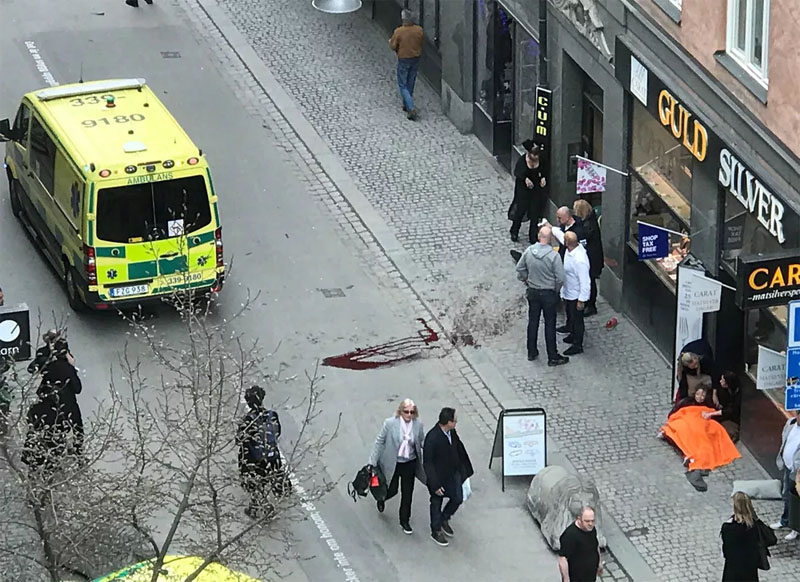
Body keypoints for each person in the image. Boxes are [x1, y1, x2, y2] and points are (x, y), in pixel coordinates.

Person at [368, 398, 426, 534]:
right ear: (400, 411)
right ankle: (381, 498)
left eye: (412, 412)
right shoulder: (390, 423)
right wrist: (372, 461)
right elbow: (380, 441)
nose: (409, 415)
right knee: (392, 489)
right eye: (406, 412)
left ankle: (404, 520)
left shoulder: (418, 425)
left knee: (407, 492)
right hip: (393, 462)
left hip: (410, 462)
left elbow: (422, 441)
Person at [515, 225, 569, 366]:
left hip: (533, 291)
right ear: (550, 239)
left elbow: (520, 268)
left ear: (539, 236)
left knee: (533, 321)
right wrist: (555, 290)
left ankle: (531, 351)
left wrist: (526, 279)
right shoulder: (554, 256)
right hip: (548, 293)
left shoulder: (529, 251)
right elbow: (560, 278)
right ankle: (552, 356)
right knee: (550, 324)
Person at [423, 407, 473, 547]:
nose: (456, 423)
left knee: (458, 498)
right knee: (436, 502)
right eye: (455, 421)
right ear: (448, 422)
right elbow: (428, 463)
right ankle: (436, 530)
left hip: (453, 473)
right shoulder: (432, 438)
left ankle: (444, 518)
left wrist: (464, 468)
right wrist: (435, 484)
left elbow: (458, 447)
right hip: (438, 477)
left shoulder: (452, 432)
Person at [237, 385, 286, 519]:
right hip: (272, 457)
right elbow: (277, 433)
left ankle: (263, 509)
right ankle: (256, 507)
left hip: (255, 458)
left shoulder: (248, 420)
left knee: (254, 483)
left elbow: (239, 439)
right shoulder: (272, 415)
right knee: (263, 481)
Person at [39, 338, 83, 456]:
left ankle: (56, 453)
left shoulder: (49, 367)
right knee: (77, 429)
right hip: (68, 405)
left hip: (52, 407)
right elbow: (77, 388)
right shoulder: (68, 369)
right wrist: (72, 367)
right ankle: (78, 453)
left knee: (56, 431)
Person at [721, 492, 774, 581]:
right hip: (750, 569)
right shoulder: (755, 526)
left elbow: (726, 550)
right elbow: (771, 538)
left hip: (733, 569)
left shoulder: (728, 527)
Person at [770, 409, 800, 541]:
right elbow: (785, 439)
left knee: (796, 500)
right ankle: (785, 520)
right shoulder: (790, 423)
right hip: (788, 468)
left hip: (798, 473)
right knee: (786, 495)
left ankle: (795, 528)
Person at [509, 141, 547, 243]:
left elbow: (544, 171)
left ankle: (533, 236)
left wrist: (543, 178)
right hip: (523, 190)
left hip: (536, 189)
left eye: (537, 155)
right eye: (534, 155)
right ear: (529, 153)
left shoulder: (541, 160)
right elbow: (517, 172)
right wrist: (525, 179)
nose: (536, 157)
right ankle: (514, 231)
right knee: (520, 210)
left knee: (535, 213)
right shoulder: (522, 161)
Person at [389, 9, 424, 121]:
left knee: (403, 84)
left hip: (404, 59)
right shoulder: (419, 30)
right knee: (411, 81)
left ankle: (410, 108)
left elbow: (393, 46)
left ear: (403, 19)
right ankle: (406, 104)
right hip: (415, 58)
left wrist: (391, 42)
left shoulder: (399, 31)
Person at [560, 231, 590, 356]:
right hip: (569, 291)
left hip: (576, 295)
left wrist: (581, 300)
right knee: (571, 316)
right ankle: (572, 334)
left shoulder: (580, 260)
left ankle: (578, 344)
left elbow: (585, 282)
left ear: (567, 243)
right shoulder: (570, 250)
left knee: (578, 320)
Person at [572, 200, 603, 316]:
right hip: (592, 256)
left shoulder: (588, 225)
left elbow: (583, 236)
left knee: (590, 281)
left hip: (591, 258)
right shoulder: (590, 220)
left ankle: (591, 305)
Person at [558, 506, 603, 582]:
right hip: (577, 578)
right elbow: (562, 559)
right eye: (587, 521)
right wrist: (566, 579)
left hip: (590, 575)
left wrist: (599, 562)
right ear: (579, 519)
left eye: (592, 521)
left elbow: (595, 546)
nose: (590, 524)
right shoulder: (570, 535)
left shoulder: (591, 529)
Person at [705, 371, 742, 442]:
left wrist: (711, 414)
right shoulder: (722, 389)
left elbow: (731, 410)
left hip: (732, 416)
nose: (720, 381)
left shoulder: (738, 395)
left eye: (723, 381)